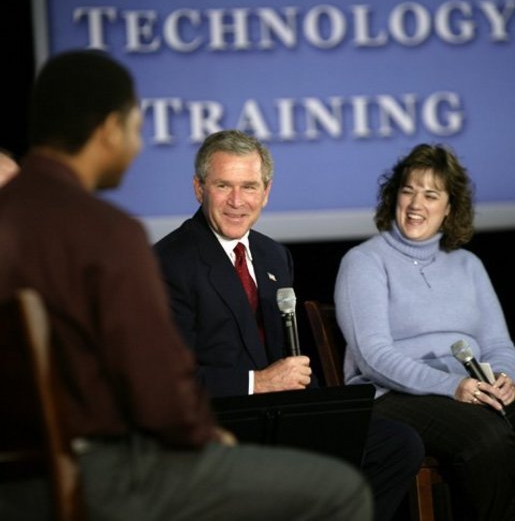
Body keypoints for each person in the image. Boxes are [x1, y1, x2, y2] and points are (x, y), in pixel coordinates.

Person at [0, 50, 372, 521]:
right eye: (136, 127)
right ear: (109, 128)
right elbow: (155, 389)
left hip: (16, 484)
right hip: (105, 474)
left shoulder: (12, 218)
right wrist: (209, 436)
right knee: (339, 489)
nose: (137, 147)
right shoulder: (107, 233)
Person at [154, 129, 425, 521]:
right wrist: (258, 382)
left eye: (249, 186)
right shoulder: (169, 263)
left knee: (397, 444)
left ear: (266, 192)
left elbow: (285, 359)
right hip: (221, 425)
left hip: (283, 417)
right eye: (223, 186)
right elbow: (168, 383)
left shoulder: (272, 255)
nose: (237, 201)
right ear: (199, 189)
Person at [334, 142, 515, 521]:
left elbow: (498, 343)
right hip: (392, 395)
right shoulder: (365, 261)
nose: (416, 204)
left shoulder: (469, 265)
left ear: (449, 207)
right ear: (393, 197)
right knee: (488, 437)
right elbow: (373, 356)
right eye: (408, 190)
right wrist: (452, 386)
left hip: (470, 387)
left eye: (430, 194)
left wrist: (505, 377)